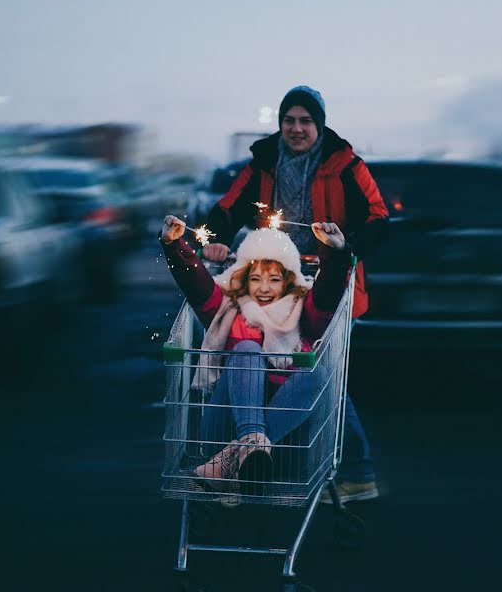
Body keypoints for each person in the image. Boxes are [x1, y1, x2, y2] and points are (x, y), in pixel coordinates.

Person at [200, 85, 389, 503]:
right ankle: (273, 457)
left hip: (327, 283)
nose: (297, 129)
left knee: (321, 372)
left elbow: (379, 218)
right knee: (273, 365)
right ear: (280, 124)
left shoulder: (345, 165)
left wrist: (345, 247)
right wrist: (213, 239)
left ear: (320, 126)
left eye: (306, 121)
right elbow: (229, 208)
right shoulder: (265, 162)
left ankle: (355, 470)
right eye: (290, 120)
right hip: (274, 281)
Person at [160, 216, 352, 496]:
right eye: (256, 279)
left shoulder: (303, 315)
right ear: (243, 280)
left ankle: (238, 459)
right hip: (222, 430)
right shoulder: (228, 310)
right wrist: (173, 244)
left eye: (274, 279)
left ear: (288, 281)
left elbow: (327, 293)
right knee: (247, 350)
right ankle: (250, 445)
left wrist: (335, 253)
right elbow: (196, 284)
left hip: (285, 446)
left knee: (317, 374)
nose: (264, 289)